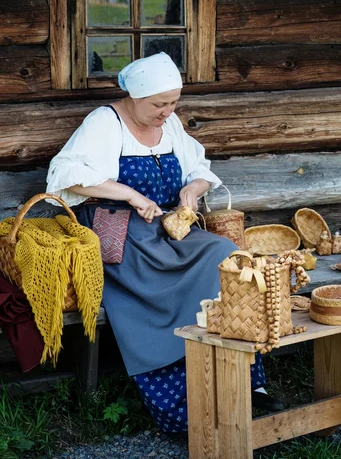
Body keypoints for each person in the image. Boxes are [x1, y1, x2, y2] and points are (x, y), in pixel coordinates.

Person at [46, 52, 281, 432]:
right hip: (121, 234)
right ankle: (185, 405)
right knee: (160, 285)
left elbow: (200, 169)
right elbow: (65, 176)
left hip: (168, 229)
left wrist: (192, 189)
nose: (167, 111)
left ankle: (247, 385)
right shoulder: (105, 123)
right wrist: (128, 194)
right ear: (135, 97)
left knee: (224, 254)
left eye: (173, 102)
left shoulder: (169, 125)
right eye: (159, 104)